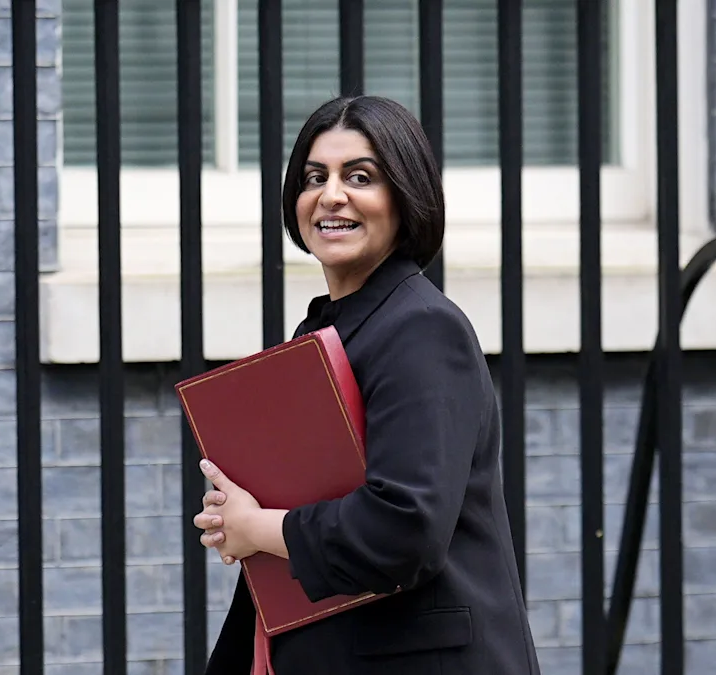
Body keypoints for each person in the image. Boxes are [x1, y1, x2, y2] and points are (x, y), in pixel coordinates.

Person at [191, 95, 541, 675]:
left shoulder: (423, 329)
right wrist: (233, 511)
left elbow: (404, 528)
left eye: (360, 176)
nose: (331, 195)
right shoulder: (330, 329)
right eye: (313, 177)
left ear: (406, 197)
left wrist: (259, 526)